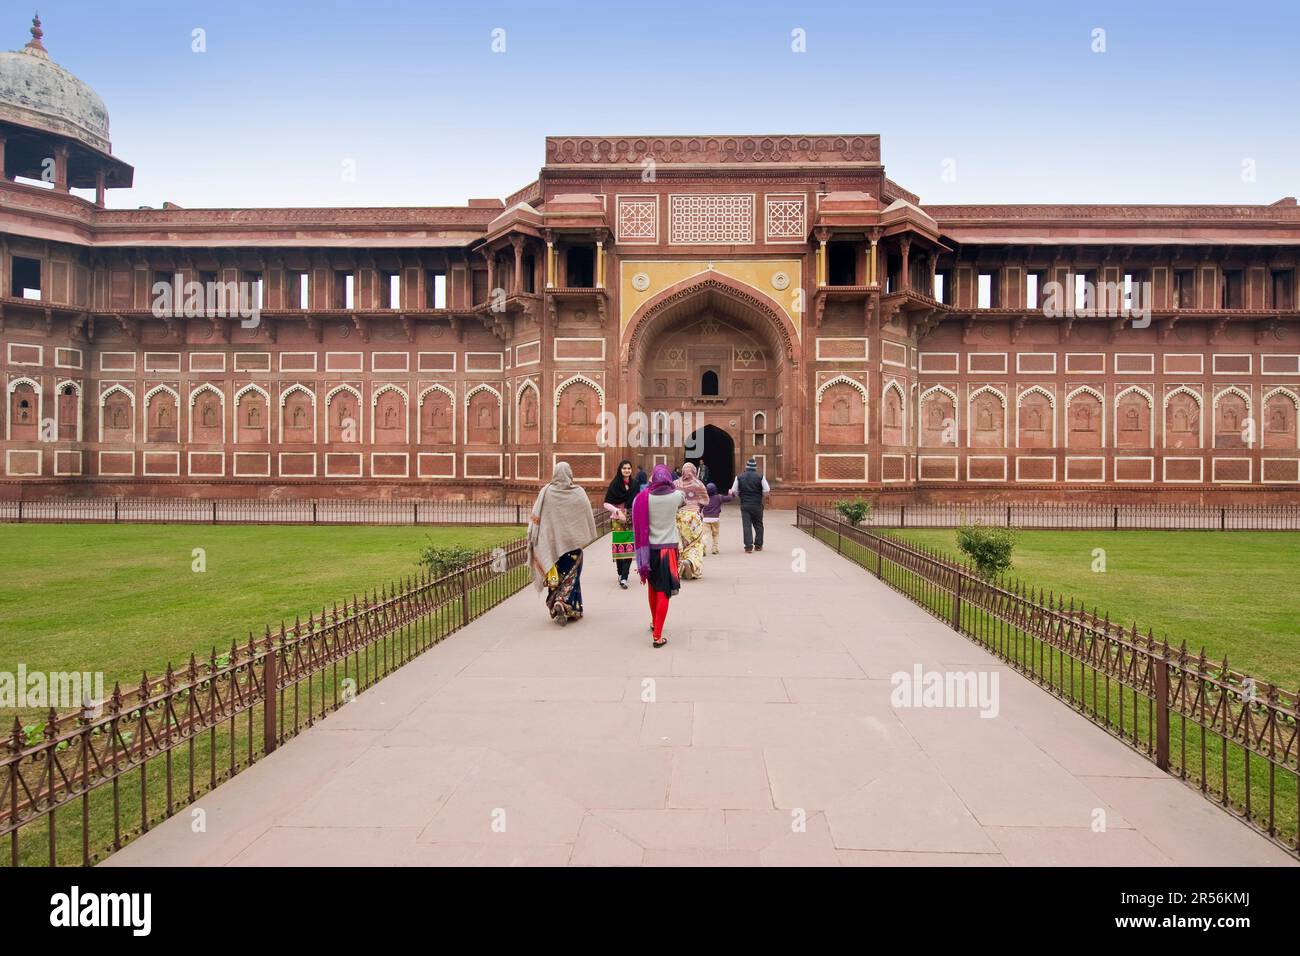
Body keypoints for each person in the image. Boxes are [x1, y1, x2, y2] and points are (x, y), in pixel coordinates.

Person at [528, 461, 598, 625]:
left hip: (551, 547)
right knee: (571, 577)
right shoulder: (578, 492)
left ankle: (556, 604)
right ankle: (564, 602)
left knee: (555, 577)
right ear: (570, 473)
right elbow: (586, 512)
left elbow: (537, 518)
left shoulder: (545, 492)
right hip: (572, 547)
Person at [633, 464, 684, 647]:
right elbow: (684, 496)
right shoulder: (676, 496)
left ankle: (655, 622)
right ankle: (657, 635)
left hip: (649, 551)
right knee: (664, 592)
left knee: (653, 588)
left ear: (652, 479)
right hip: (667, 550)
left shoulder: (642, 498)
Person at [603, 458, 641, 589]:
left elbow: (638, 501)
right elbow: (606, 503)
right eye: (624, 468)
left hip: (631, 519)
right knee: (620, 547)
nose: (627, 470)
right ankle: (620, 573)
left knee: (629, 548)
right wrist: (617, 511)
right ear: (620, 470)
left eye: (629, 468)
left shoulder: (635, 484)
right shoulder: (615, 484)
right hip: (618, 520)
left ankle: (625, 576)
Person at [674, 462, 709, 578]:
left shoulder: (676, 483)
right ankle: (691, 562)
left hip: (680, 517)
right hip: (694, 516)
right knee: (696, 543)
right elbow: (706, 501)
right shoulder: (699, 484)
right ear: (694, 471)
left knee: (683, 544)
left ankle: (682, 569)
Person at [728, 456, 770, 553]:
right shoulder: (760, 476)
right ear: (755, 467)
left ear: (746, 467)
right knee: (758, 524)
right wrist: (761, 495)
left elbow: (734, 490)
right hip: (757, 504)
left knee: (747, 525)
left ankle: (748, 547)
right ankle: (758, 546)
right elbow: (767, 490)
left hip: (745, 504)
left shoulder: (739, 477)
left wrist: (740, 495)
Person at [700, 481, 733, 555]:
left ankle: (703, 546)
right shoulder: (719, 497)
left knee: (705, 534)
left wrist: (699, 514)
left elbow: (700, 507)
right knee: (715, 534)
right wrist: (730, 493)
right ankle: (715, 548)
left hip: (706, 519)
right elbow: (729, 499)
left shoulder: (705, 499)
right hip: (715, 519)